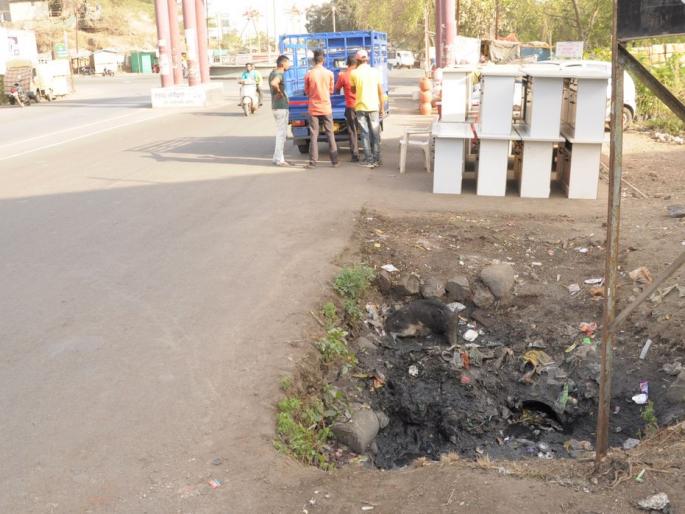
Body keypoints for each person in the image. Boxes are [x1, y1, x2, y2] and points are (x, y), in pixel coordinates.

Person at [350, 49, 385, 168]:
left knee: (364, 134)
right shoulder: (375, 72)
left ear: (357, 60)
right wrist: (382, 108)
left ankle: (369, 160)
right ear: (367, 59)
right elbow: (380, 92)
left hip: (360, 107)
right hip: (374, 107)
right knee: (375, 134)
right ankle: (377, 159)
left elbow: (353, 90)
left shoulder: (354, 73)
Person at [303, 49, 338, 168]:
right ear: (323, 60)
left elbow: (307, 91)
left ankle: (313, 162)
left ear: (313, 60)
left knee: (313, 135)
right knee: (330, 133)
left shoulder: (309, 74)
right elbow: (331, 90)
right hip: (326, 108)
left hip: (313, 108)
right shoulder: (329, 73)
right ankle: (334, 161)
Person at [334, 55, 360, 162]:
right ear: (357, 63)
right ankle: (371, 155)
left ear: (347, 64)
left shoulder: (344, 75)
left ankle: (355, 155)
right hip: (363, 105)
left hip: (351, 106)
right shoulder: (360, 74)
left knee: (352, 131)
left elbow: (336, 89)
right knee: (366, 130)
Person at [269, 55, 292, 167]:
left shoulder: (272, 72)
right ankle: (279, 160)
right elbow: (274, 83)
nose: (289, 65)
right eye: (288, 63)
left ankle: (276, 157)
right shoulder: (279, 74)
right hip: (281, 107)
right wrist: (279, 92)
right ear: (282, 64)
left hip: (276, 106)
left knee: (280, 133)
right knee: (281, 135)